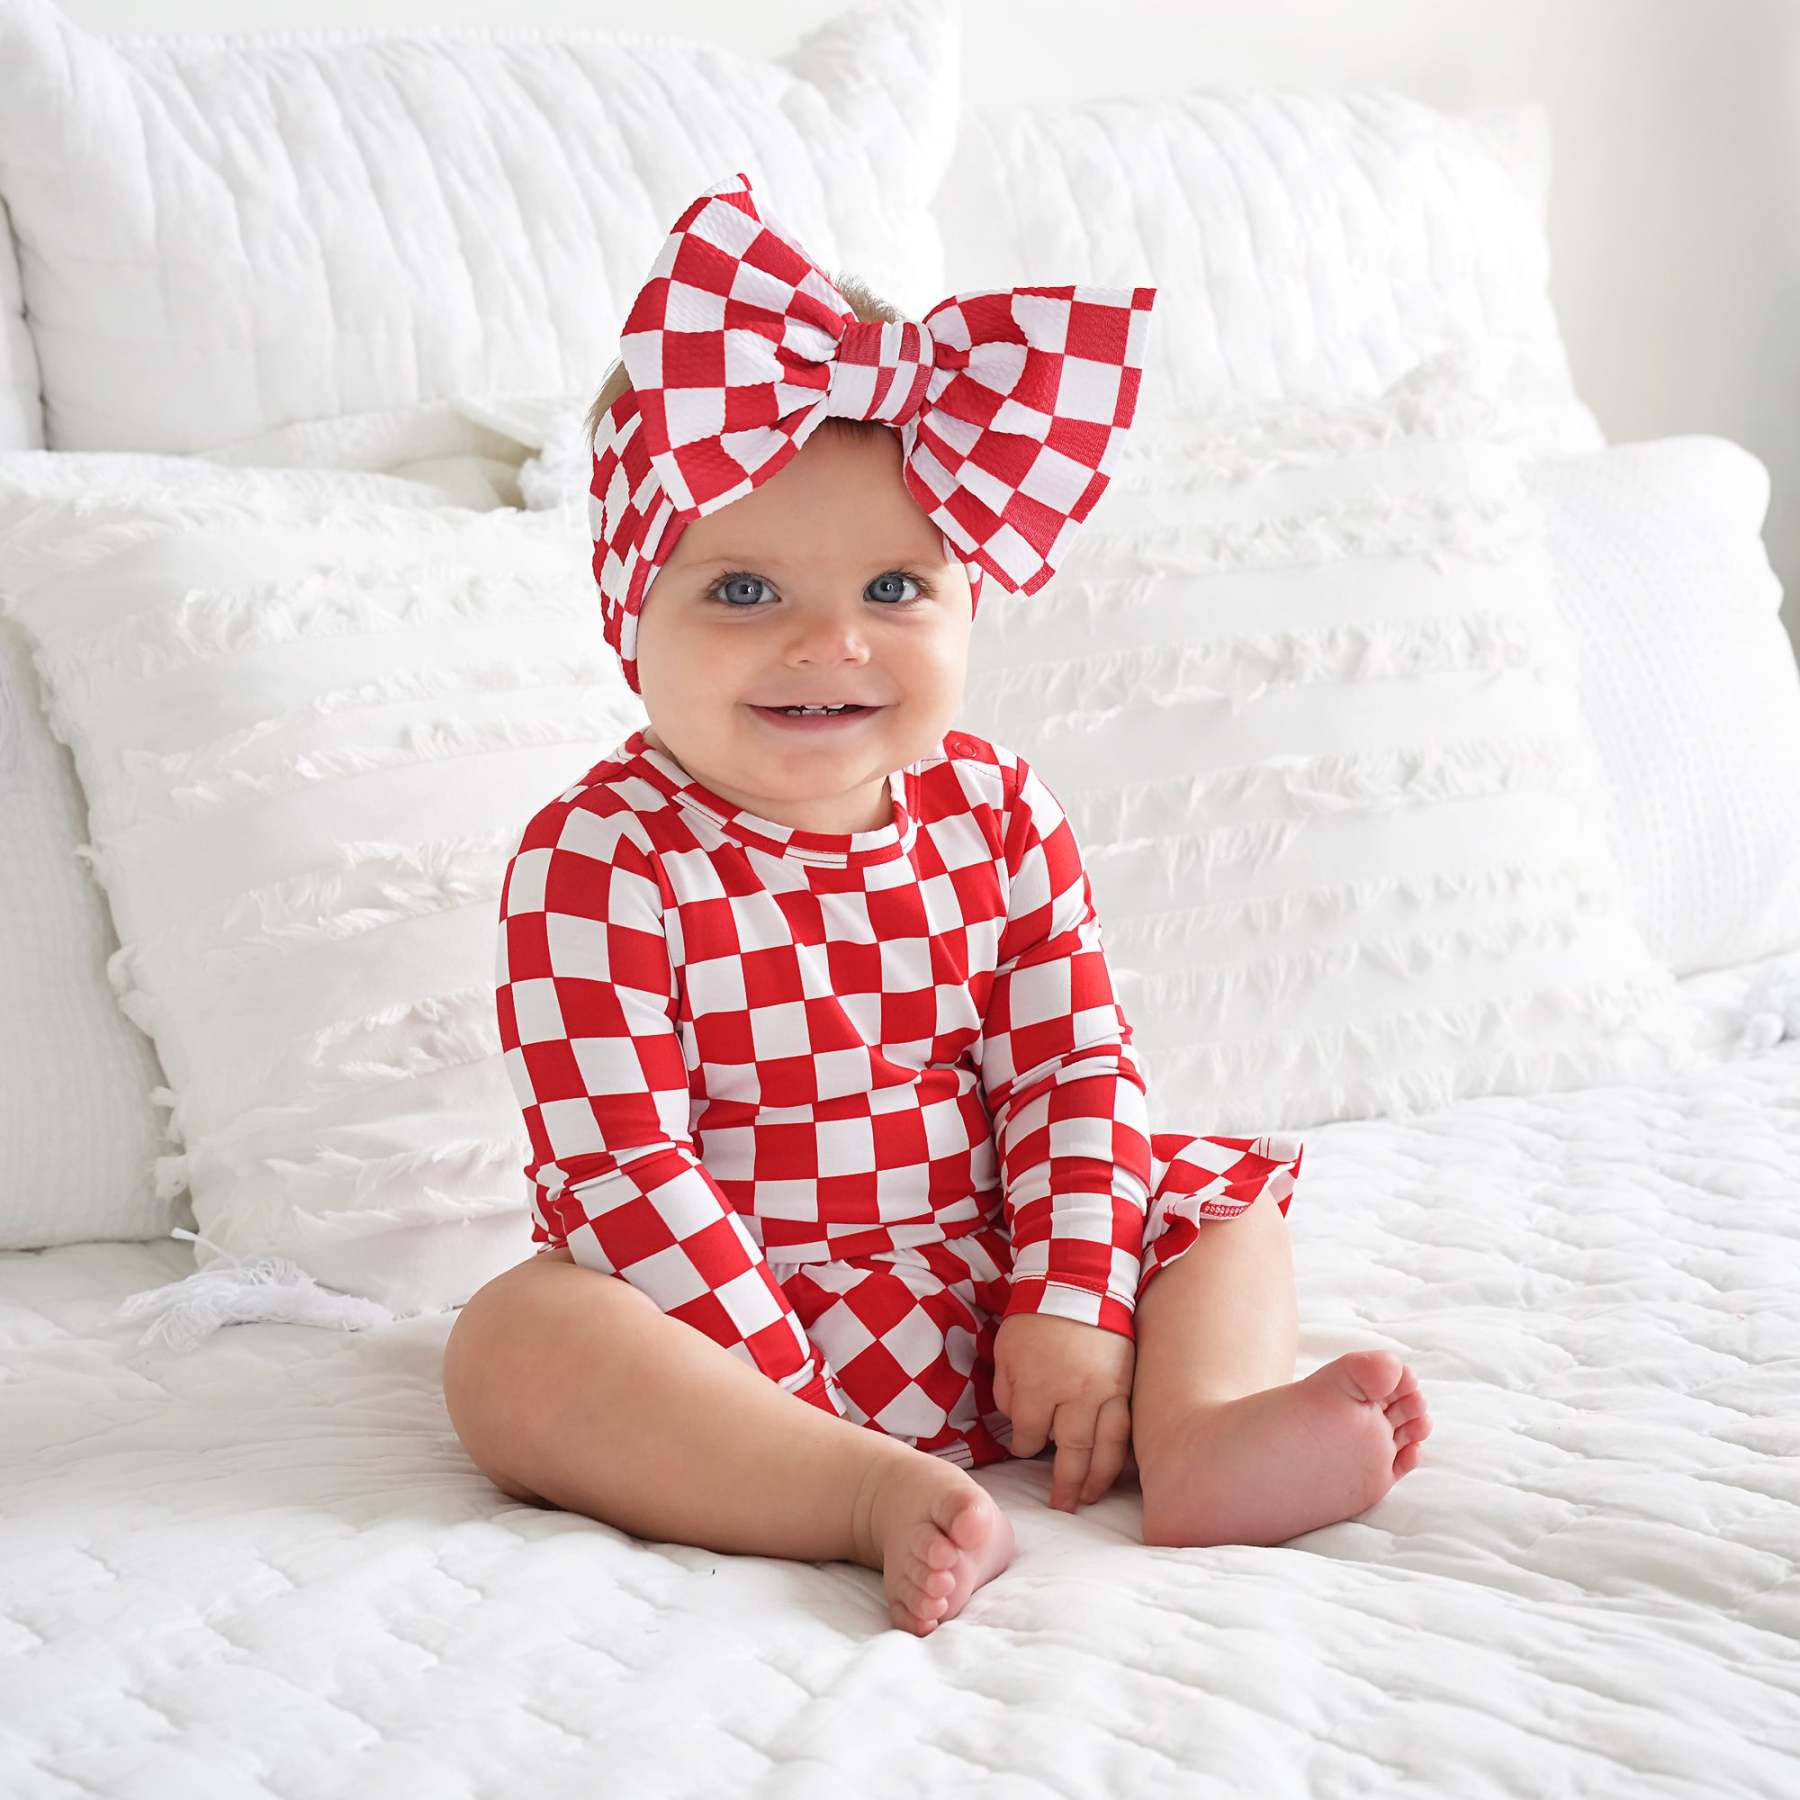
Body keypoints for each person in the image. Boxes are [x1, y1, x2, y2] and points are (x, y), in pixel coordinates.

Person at [442, 172, 1432, 1637]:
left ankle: (1201, 1428)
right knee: (515, 1344)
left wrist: (1075, 1301)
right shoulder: (600, 858)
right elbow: (622, 1166)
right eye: (743, 593)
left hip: (1007, 1295)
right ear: (626, 612)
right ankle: (847, 1492)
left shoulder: (998, 809)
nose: (830, 642)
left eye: (896, 587)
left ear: (968, 600)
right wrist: (782, 1386)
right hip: (737, 1315)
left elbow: (1070, 1066)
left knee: (1215, 1206)